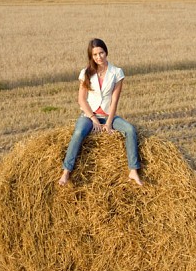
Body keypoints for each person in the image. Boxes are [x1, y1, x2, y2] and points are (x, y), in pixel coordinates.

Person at [59, 38, 143, 186]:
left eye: (101, 53)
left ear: (106, 52)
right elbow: (81, 100)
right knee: (78, 132)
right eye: (95, 54)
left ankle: (133, 170)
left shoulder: (117, 72)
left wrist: (109, 123)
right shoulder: (85, 73)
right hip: (88, 116)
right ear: (91, 56)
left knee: (130, 130)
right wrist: (94, 119)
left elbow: (114, 100)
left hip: (108, 115)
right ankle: (66, 171)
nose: (99, 57)